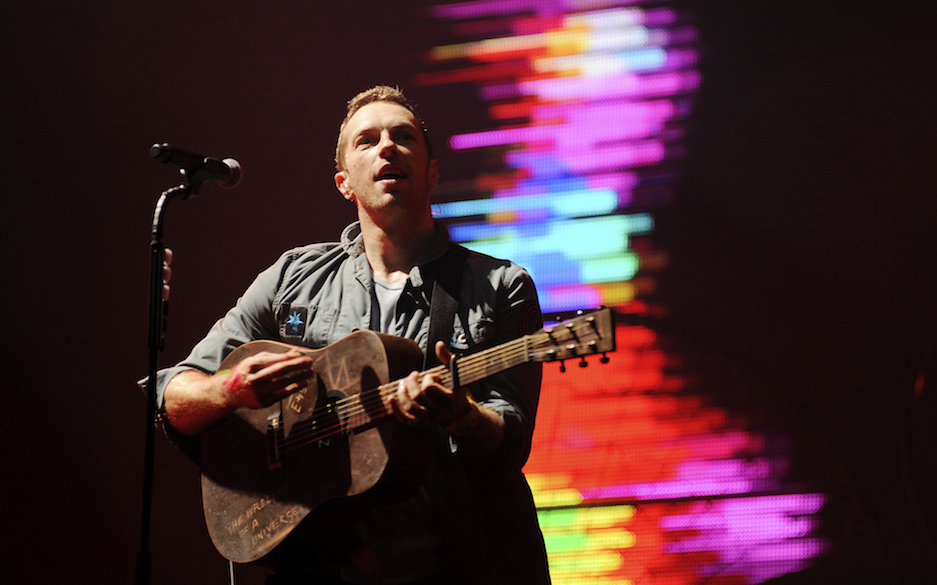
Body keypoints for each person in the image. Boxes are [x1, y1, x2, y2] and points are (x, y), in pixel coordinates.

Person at [151, 86, 551, 585]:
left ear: (431, 171)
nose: (387, 147)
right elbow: (173, 394)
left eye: (403, 137)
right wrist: (229, 389)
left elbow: (510, 441)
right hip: (320, 564)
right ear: (344, 183)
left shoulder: (499, 286)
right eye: (367, 140)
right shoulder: (291, 278)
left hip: (451, 562)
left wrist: (461, 414)